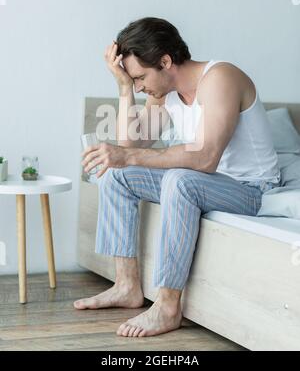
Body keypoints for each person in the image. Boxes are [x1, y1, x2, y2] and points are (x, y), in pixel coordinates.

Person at [74, 17, 280, 338]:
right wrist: (124, 86)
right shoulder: (165, 92)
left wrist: (127, 154)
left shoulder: (220, 78)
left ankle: (168, 306)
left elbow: (205, 157)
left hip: (249, 190)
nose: (141, 86)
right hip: (206, 184)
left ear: (166, 61)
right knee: (118, 174)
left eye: (141, 77)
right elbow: (130, 143)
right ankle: (127, 285)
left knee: (179, 179)